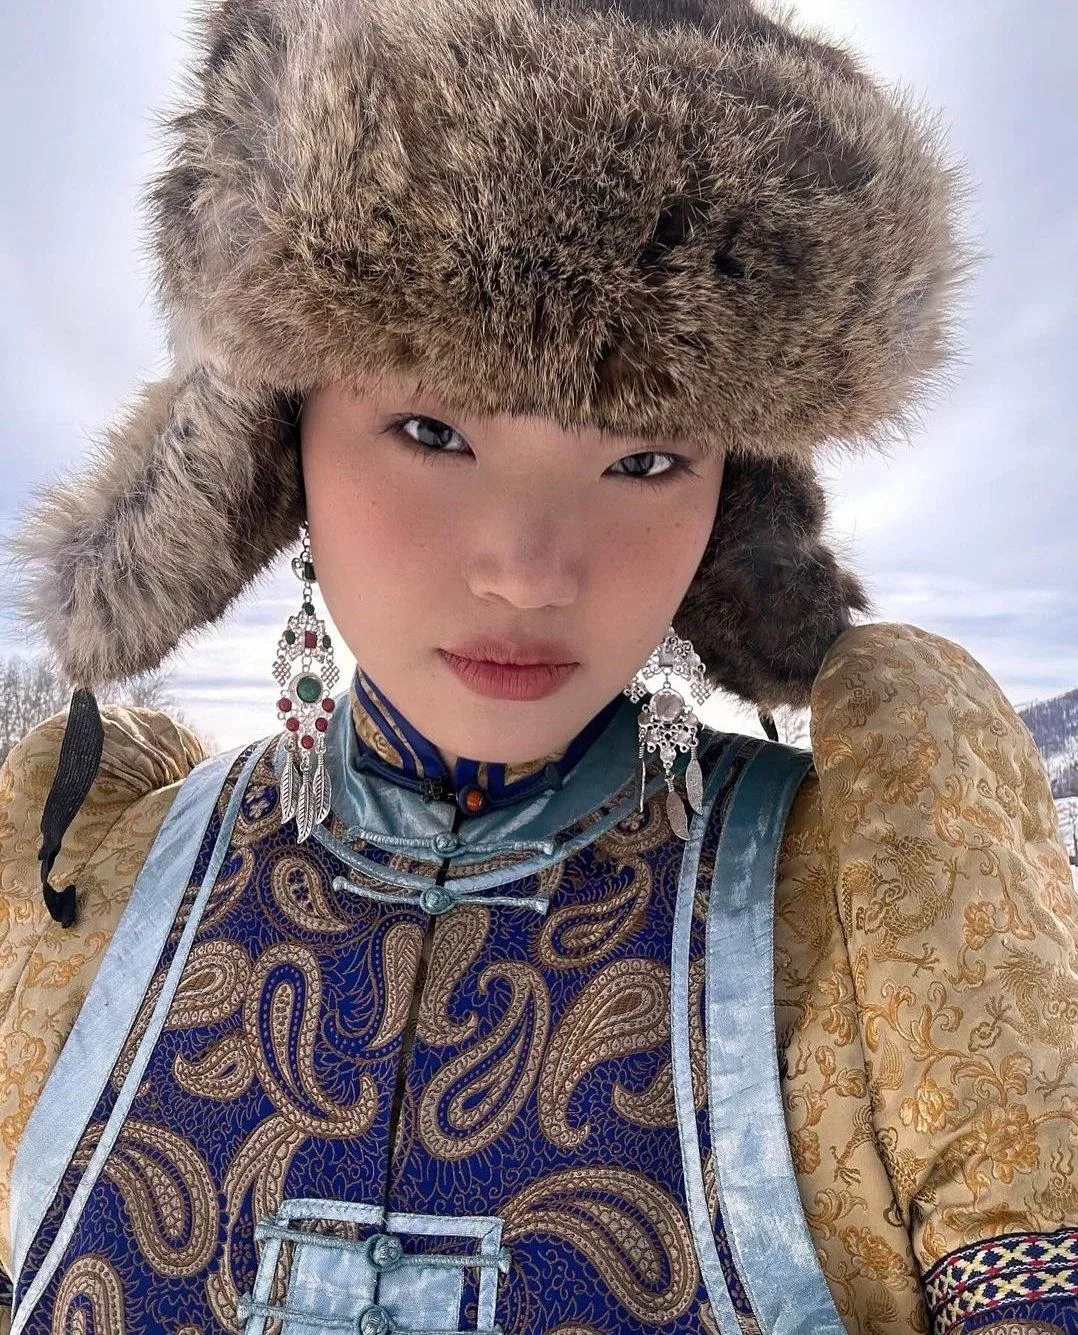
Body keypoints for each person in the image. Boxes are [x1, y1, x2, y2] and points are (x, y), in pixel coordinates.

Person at [0, 0, 1074, 1331]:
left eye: (642, 458)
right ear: (271, 449)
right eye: (429, 429)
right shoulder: (82, 887)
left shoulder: (869, 917)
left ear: (731, 496)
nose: (526, 566)